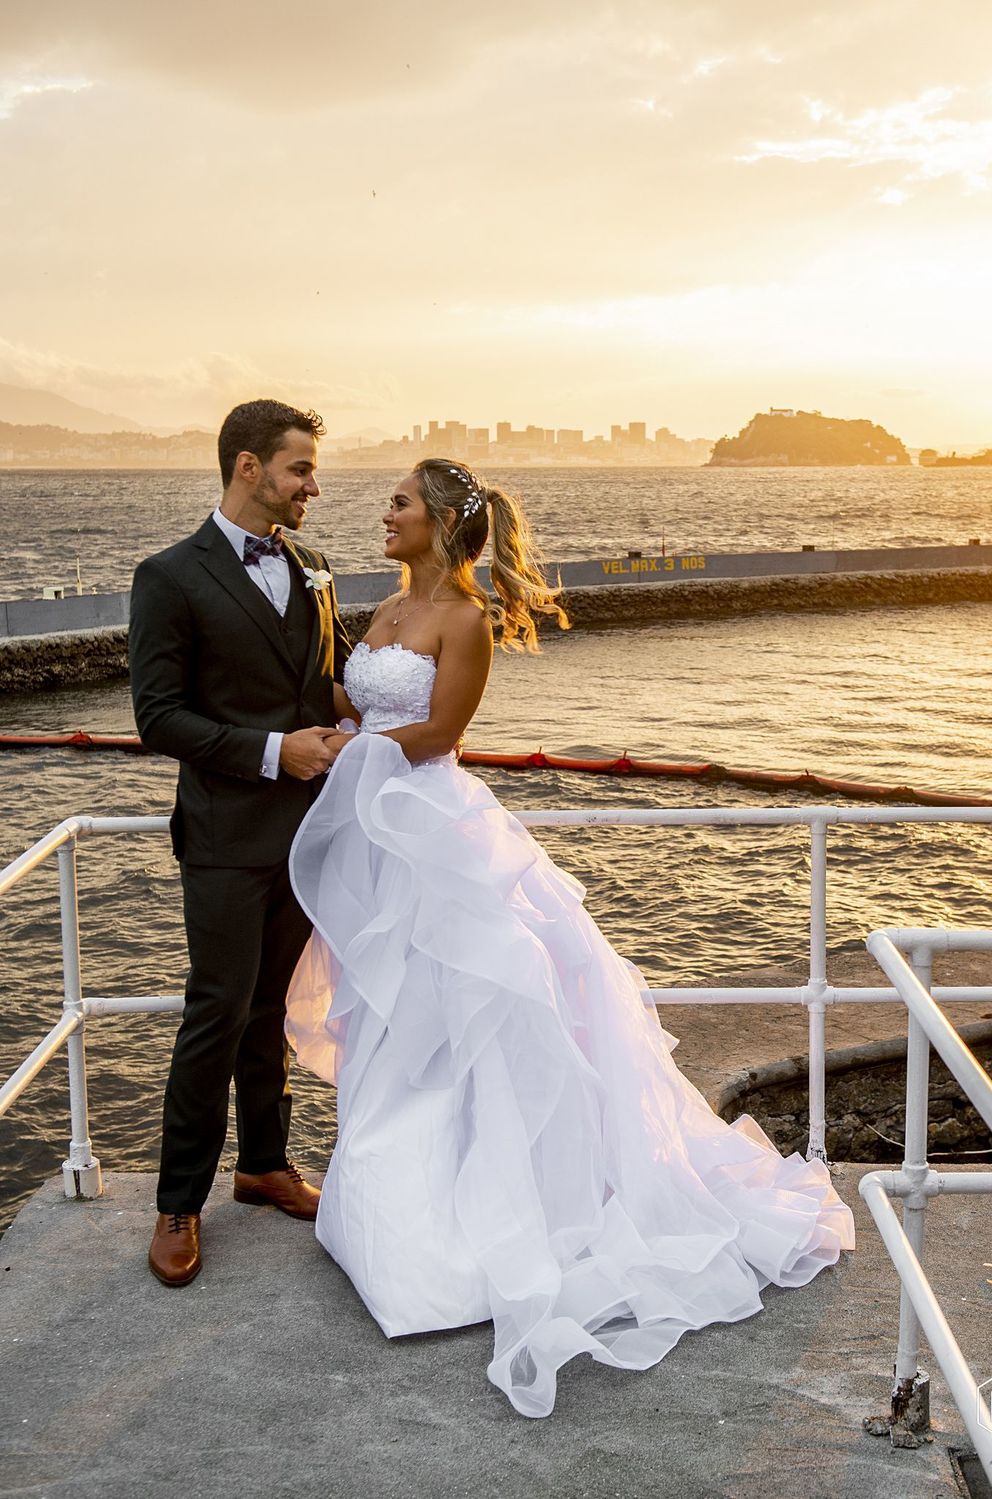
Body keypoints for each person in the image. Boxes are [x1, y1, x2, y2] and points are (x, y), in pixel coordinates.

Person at [285, 458, 853, 1418]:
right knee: (390, 1012)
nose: (384, 514)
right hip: (378, 835)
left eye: (400, 503)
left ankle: (473, 1232)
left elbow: (440, 729)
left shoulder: (463, 620)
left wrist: (351, 748)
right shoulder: (379, 610)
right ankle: (387, 1215)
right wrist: (331, 720)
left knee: (465, 1008)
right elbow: (360, 700)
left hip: (434, 829)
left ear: (441, 523)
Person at [129, 398, 351, 1287]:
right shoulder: (170, 575)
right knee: (216, 1013)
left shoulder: (317, 567)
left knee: (273, 1008)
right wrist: (273, 752)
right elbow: (158, 717)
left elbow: (326, 683)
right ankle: (178, 1200)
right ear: (249, 468)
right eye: (300, 469)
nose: (313, 486)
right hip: (224, 836)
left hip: (308, 836)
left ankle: (264, 1164)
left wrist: (368, 715)